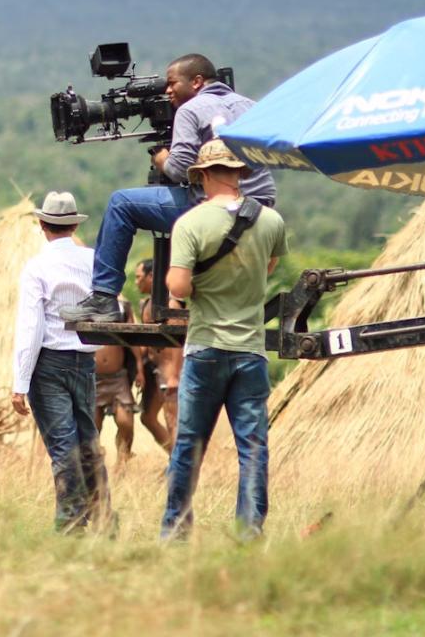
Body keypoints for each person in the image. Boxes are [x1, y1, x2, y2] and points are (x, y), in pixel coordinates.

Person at [60, 54, 276, 323]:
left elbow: (179, 169)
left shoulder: (191, 109)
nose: (168, 89)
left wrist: (162, 159)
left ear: (197, 81)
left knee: (121, 203)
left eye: (173, 83)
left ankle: (104, 298)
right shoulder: (250, 105)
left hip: (215, 209)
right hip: (260, 207)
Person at [160, 140, 287, 541]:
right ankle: (249, 533)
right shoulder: (270, 221)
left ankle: (176, 533)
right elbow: (268, 269)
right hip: (250, 349)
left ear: (203, 174)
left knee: (189, 448)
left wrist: (182, 281)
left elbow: (178, 287)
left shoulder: (191, 223)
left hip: (206, 348)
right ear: (239, 173)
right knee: (252, 450)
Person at [11, 192, 107, 532]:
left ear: (42, 224)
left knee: (63, 446)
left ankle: (71, 523)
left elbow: (31, 326)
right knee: (87, 441)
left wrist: (20, 383)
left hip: (49, 363)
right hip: (85, 360)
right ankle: (103, 517)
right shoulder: (93, 259)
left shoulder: (36, 267)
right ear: (73, 224)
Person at [134, 259, 180, 451]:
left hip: (169, 369)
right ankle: (174, 458)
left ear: (151, 276)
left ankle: (180, 467)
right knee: (147, 417)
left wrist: (175, 374)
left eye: (139, 277)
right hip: (153, 368)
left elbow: (179, 340)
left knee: (172, 420)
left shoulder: (172, 303)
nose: (136, 282)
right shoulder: (146, 304)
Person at [92, 297, 137, 471]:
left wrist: (139, 366)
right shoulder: (86, 300)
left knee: (126, 422)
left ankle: (122, 459)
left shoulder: (123, 305)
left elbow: (132, 337)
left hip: (118, 376)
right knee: (92, 426)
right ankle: (95, 463)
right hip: (93, 376)